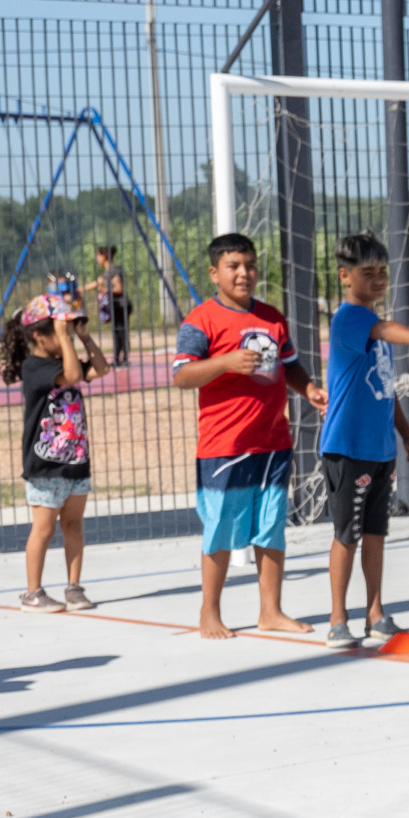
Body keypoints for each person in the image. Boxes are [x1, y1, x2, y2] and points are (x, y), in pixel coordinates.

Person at [172, 231, 311, 639]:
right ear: (215, 273)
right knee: (220, 529)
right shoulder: (200, 322)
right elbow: (182, 375)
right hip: (224, 446)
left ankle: (271, 611)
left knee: (270, 528)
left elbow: (292, 366)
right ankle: (209, 613)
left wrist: (309, 389)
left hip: (273, 442)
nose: (244, 273)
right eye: (233, 266)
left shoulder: (272, 318)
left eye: (250, 265)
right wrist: (226, 361)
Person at [312, 233, 409, 650]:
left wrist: (406, 437)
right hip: (347, 449)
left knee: (375, 534)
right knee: (346, 534)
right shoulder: (351, 319)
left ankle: (375, 613)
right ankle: (336, 618)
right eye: (369, 273)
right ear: (345, 277)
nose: (379, 279)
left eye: (383, 271)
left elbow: (386, 392)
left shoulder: (375, 329)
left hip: (380, 450)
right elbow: (384, 327)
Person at [4, 291, 98, 612]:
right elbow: (72, 376)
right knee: (43, 529)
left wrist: (84, 337)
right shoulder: (35, 367)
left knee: (73, 525)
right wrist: (63, 335)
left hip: (75, 462)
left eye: (67, 332)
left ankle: (74, 587)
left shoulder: (64, 358)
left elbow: (101, 368)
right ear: (38, 336)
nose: (65, 337)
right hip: (45, 466)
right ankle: (33, 592)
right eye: (59, 332)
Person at [93, 245, 131, 365]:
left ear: (104, 256)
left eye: (98, 255)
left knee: (121, 332)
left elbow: (119, 288)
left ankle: (122, 359)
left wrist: (105, 291)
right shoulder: (107, 271)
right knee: (117, 332)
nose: (96, 258)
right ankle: (117, 359)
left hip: (121, 305)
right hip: (115, 305)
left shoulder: (114, 270)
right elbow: (96, 283)